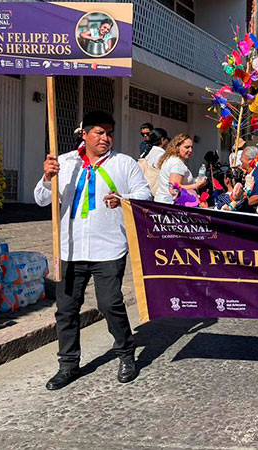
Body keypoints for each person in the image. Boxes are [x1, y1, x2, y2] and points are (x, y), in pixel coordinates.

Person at [34, 110, 151, 390]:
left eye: (109, 132)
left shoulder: (124, 164)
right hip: (70, 248)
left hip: (108, 247)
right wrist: (46, 178)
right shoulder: (64, 163)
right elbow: (40, 200)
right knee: (66, 309)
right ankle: (68, 365)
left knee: (109, 303)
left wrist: (123, 200)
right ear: (84, 134)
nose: (105, 138)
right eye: (99, 132)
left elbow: (144, 194)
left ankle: (125, 354)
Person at [155, 134, 206, 204]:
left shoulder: (171, 159)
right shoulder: (177, 163)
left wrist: (195, 181)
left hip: (163, 202)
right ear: (177, 147)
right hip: (171, 205)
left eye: (191, 147)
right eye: (187, 147)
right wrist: (197, 185)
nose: (190, 150)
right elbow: (174, 189)